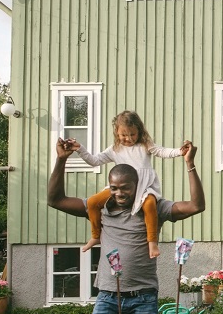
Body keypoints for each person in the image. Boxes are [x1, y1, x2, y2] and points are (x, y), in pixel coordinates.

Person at [47, 138, 204, 314]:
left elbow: (195, 205)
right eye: (114, 188)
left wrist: (189, 165)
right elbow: (55, 200)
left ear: (137, 186)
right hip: (107, 299)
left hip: (143, 301)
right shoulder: (101, 209)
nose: (119, 194)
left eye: (125, 188)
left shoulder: (152, 207)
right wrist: (61, 159)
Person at [69, 110, 191, 259]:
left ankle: (152, 242)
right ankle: (96, 235)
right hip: (121, 189)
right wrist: (80, 149)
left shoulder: (145, 145)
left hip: (144, 187)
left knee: (150, 205)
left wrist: (180, 151)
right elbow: (94, 161)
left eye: (132, 134)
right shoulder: (114, 150)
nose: (128, 138)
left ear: (139, 131)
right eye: (124, 135)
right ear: (117, 133)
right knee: (93, 202)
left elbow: (163, 151)